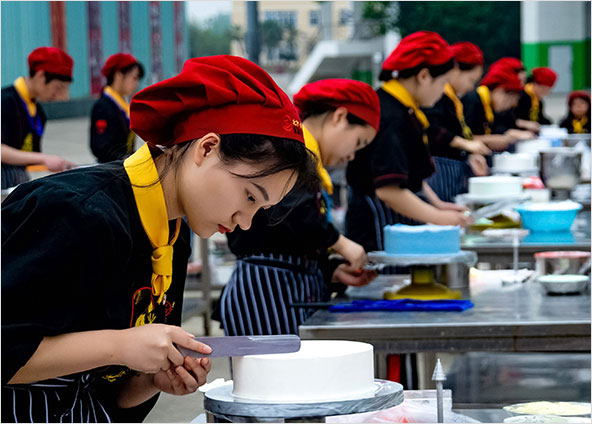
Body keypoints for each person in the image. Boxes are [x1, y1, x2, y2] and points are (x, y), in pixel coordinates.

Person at [2, 55, 318, 423]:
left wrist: (152, 379)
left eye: (260, 209)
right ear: (206, 148)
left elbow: (109, 394)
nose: (245, 223)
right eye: (249, 196)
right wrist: (118, 345)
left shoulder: (172, 237)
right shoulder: (75, 211)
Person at [216, 78, 380, 336]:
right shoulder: (290, 153)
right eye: (358, 142)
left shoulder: (311, 163)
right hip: (265, 295)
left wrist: (332, 271)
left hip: (286, 291)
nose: (352, 155)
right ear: (339, 117)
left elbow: (291, 240)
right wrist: (339, 242)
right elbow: (290, 214)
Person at [345, 31, 472, 256]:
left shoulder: (404, 109)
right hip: (378, 224)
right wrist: (439, 217)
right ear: (423, 76)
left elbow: (409, 175)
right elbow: (389, 191)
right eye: (443, 83)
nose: (442, 92)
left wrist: (438, 205)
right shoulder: (391, 115)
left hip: (396, 219)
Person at [423, 41, 490, 202]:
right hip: (437, 176)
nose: (471, 88)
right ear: (455, 70)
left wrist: (470, 155)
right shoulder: (436, 96)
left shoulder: (453, 100)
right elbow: (432, 128)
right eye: (471, 80)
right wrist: (465, 144)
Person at [1, 46, 75, 189]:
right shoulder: (5, 101)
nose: (61, 96)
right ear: (40, 76)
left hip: (17, 181)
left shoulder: (38, 112)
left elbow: (30, 156)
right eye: (58, 87)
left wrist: (55, 164)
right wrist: (44, 159)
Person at [462, 64, 534, 153]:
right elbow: (464, 136)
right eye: (508, 99)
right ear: (499, 90)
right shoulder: (473, 100)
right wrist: (490, 139)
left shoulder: (491, 105)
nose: (509, 104)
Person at [90, 53, 145, 163]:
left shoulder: (122, 105)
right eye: (134, 78)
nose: (136, 84)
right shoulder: (104, 107)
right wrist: (124, 159)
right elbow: (100, 147)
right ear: (118, 75)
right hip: (110, 168)